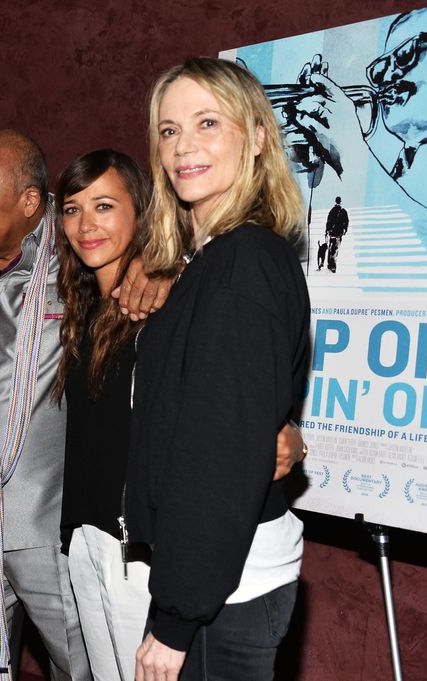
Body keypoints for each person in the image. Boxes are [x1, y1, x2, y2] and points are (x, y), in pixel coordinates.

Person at [0, 129, 173, 681]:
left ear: (32, 203)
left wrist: (160, 265)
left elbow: (183, 244)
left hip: (46, 518)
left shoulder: (78, 247)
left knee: (84, 664)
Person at [54, 149, 306, 681]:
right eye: (72, 209)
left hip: (140, 552)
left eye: (104, 205)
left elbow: (229, 401)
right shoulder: (82, 308)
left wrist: (286, 434)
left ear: (141, 212)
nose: (86, 224)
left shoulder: (168, 306)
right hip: (87, 542)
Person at [128, 58, 310, 681]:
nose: (184, 147)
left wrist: (175, 619)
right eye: (170, 130)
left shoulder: (243, 264)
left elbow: (218, 455)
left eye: (208, 122)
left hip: (224, 591)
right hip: (223, 580)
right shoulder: (217, 258)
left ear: (257, 137)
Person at [287, 2, 427, 225]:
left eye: (405, 56)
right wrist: (316, 149)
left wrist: (347, 149)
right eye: (378, 69)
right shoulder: (393, 160)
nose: (385, 77)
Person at [324, 196, 349, 273]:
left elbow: (328, 221)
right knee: (335, 249)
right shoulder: (343, 211)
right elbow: (346, 222)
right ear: (340, 202)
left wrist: (327, 230)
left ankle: (329, 264)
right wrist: (345, 230)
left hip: (332, 233)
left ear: (335, 202)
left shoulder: (332, 211)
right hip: (339, 233)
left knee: (331, 248)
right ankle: (333, 265)